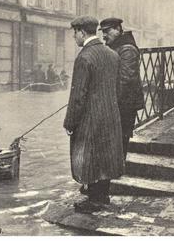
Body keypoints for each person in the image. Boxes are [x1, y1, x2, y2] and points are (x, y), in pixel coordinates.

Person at [64, 16, 123, 213]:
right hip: (110, 114)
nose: (74, 37)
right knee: (106, 156)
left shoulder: (84, 57)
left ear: (82, 32)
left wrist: (70, 122)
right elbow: (116, 87)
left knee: (88, 157)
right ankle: (103, 195)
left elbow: (78, 96)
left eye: (75, 33)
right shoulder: (112, 54)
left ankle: (93, 200)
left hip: (90, 117)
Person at [99, 18, 145, 160]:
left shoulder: (127, 49)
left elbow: (125, 80)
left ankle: (118, 167)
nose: (104, 35)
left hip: (125, 103)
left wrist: (112, 102)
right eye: (103, 32)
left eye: (107, 31)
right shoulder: (117, 46)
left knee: (121, 136)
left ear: (118, 29)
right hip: (119, 101)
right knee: (115, 137)